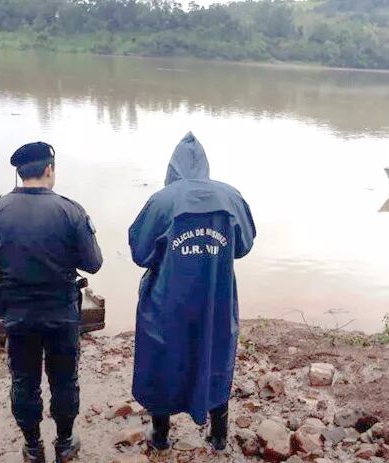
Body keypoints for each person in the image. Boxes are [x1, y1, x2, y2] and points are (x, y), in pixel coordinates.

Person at [0, 142, 103, 463]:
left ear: (19, 172)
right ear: (49, 170)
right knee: (64, 379)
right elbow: (93, 263)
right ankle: (66, 443)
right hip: (62, 313)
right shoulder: (71, 210)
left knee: (24, 381)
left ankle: (32, 447)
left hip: (18, 315)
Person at [128, 132, 256, 452]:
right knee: (215, 356)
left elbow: (140, 253)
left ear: (172, 168)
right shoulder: (231, 198)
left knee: (162, 359)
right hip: (216, 300)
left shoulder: (162, 200)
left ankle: (160, 437)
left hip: (167, 303)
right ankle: (219, 437)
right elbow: (243, 246)